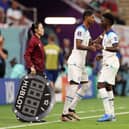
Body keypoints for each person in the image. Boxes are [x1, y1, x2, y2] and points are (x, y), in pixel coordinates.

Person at [61, 9, 98, 122]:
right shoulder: (80, 29)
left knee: (86, 86)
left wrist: (99, 45)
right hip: (75, 62)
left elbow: (91, 42)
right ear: (86, 17)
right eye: (92, 17)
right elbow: (78, 45)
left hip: (81, 64)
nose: (94, 19)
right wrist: (90, 48)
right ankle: (64, 114)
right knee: (73, 86)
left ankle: (71, 109)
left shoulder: (87, 31)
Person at [96, 13, 120, 122]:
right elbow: (108, 50)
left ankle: (107, 113)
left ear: (108, 22)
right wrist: (102, 54)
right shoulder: (106, 34)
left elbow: (116, 48)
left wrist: (103, 47)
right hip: (109, 61)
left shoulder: (112, 34)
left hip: (111, 63)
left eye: (103, 20)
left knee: (100, 85)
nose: (101, 22)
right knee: (108, 87)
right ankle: (112, 114)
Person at [24, 22, 45, 122]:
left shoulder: (38, 40)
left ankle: (28, 115)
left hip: (40, 69)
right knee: (35, 94)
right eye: (41, 28)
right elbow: (27, 55)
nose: (43, 29)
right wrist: (31, 67)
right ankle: (32, 116)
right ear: (36, 30)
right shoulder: (33, 40)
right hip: (35, 70)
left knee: (38, 94)